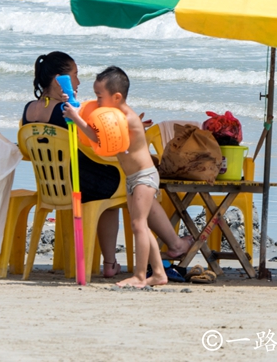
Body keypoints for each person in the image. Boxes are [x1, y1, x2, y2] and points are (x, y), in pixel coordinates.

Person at [22, 53, 191, 279]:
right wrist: (124, 131)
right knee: (125, 188)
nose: (78, 82)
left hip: (53, 186)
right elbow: (98, 145)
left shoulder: (29, 110)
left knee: (125, 186)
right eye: (75, 75)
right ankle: (173, 243)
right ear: (58, 80)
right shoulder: (68, 112)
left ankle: (114, 262)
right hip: (81, 184)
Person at [63, 65, 166, 287]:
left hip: (144, 177)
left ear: (116, 96)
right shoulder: (113, 115)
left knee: (138, 224)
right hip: (132, 178)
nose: (97, 102)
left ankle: (140, 276)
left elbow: (99, 140)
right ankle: (158, 273)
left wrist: (77, 118)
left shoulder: (125, 119)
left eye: (100, 97)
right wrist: (72, 106)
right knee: (142, 225)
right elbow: (90, 126)